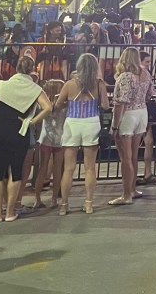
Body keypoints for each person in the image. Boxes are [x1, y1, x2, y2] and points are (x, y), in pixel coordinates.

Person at [0, 56, 52, 222]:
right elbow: (48, 107)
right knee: (16, 172)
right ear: (32, 69)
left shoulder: (2, 85)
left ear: (16, 68)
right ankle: (10, 212)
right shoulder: (35, 89)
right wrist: (32, 121)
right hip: (20, 130)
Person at [56, 52, 110, 215]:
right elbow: (105, 106)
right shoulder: (99, 84)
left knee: (69, 168)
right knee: (90, 168)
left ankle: (64, 205)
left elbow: (58, 105)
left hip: (72, 123)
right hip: (91, 123)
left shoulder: (70, 84)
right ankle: (88, 204)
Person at [108, 47, 154, 205]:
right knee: (133, 155)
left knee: (125, 157)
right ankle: (132, 189)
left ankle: (126, 195)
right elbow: (150, 94)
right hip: (142, 113)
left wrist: (114, 127)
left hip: (128, 115)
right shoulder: (145, 73)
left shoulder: (125, 76)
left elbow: (121, 102)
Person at [32, 79, 66, 211]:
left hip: (45, 138)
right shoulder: (64, 106)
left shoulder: (43, 105)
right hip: (60, 139)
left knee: (42, 168)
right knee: (57, 170)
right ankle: (54, 199)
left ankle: (37, 199)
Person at [136, 52, 156, 187]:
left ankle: (146, 173)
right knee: (146, 142)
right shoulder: (141, 74)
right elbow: (151, 92)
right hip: (141, 109)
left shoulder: (141, 73)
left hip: (140, 110)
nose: (148, 64)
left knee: (147, 142)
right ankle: (143, 173)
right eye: (146, 62)